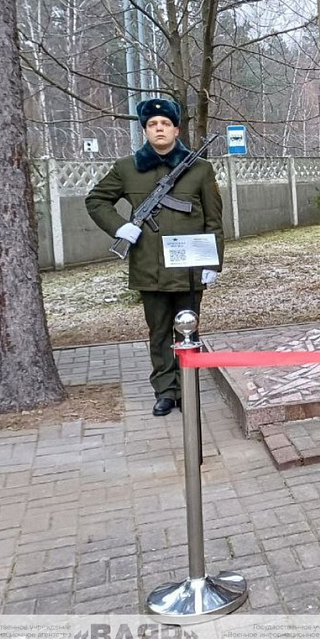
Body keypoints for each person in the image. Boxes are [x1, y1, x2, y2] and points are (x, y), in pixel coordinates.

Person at [86, 99, 223, 417]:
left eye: (165, 124)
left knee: (188, 329)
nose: (159, 129)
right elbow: (96, 200)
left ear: (176, 130)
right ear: (145, 130)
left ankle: (187, 388)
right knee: (159, 331)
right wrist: (119, 227)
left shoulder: (200, 169)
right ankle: (165, 391)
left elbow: (214, 220)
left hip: (189, 267)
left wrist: (213, 262)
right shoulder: (127, 168)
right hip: (150, 266)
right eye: (152, 124)